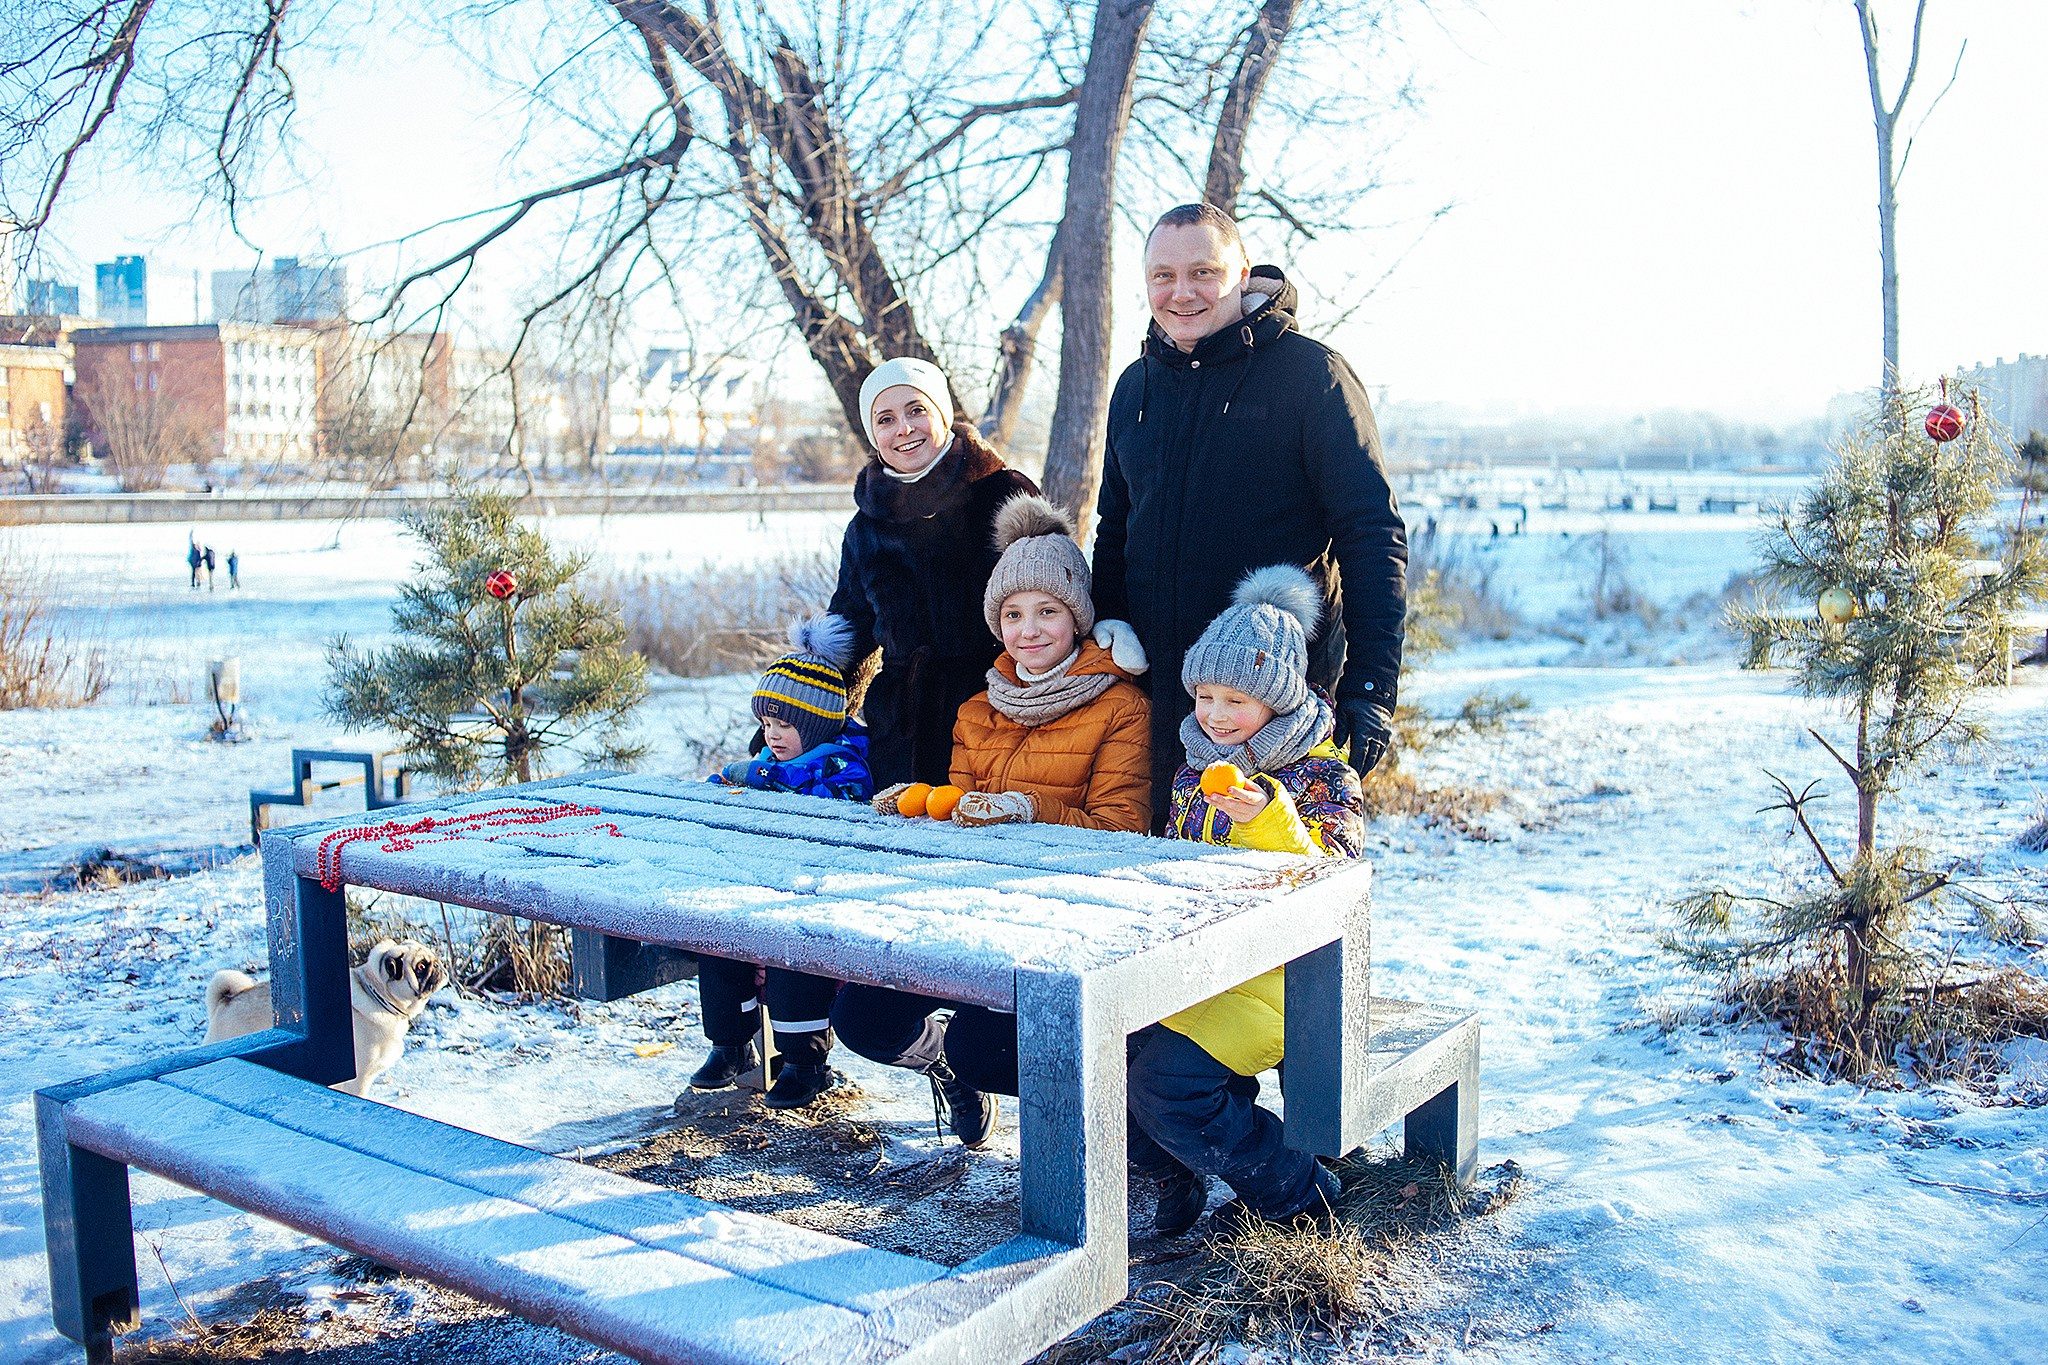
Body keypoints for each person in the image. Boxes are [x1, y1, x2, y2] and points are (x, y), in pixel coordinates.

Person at [834, 495, 1151, 1147]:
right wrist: (923, 808)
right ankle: (945, 1065)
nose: (1028, 630)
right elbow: (962, 816)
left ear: (1077, 617)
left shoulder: (1121, 706)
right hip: (980, 918)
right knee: (861, 1014)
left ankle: (1135, 1126)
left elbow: (1124, 832)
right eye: (1012, 613)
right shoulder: (978, 710)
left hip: (1072, 927)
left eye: (1047, 612)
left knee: (987, 1045)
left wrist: (1031, 811)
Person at [1090, 202, 1407, 824]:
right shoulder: (1136, 386)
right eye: (1162, 276)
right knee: (1155, 883)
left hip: (1272, 703)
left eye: (1203, 273)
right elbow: (1114, 529)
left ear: (1241, 274)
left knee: (1268, 885)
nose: (1181, 292)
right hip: (1162, 696)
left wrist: (1370, 688)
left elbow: (1371, 533)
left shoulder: (1311, 375)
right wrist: (1108, 631)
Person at [1130, 564, 1365, 1237]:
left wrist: (1265, 814)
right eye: (1205, 694)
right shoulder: (1192, 769)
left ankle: (1297, 1187)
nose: (1215, 714)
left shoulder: (1323, 775)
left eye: (1236, 698)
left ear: (1278, 700)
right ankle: (1173, 1173)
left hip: (1281, 981)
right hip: (1196, 966)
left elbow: (1335, 886)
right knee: (1104, 1048)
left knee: (1165, 1084)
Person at [826, 358, 1041, 789]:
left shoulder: (1003, 493)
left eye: (916, 410)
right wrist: (800, 708)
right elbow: (847, 633)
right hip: (898, 736)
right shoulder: (866, 527)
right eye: (885, 419)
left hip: (995, 722)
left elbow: (1057, 603)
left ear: (941, 413)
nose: (903, 429)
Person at [692, 615, 874, 1109]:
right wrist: (730, 783)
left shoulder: (841, 764)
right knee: (717, 935)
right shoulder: (776, 764)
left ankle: (805, 1062)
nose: (772, 735)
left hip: (820, 896)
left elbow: (814, 792)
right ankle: (729, 1044)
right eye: (766, 725)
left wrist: (754, 776)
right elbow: (753, 780)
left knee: (791, 948)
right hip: (767, 883)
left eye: (785, 725)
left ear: (815, 725)